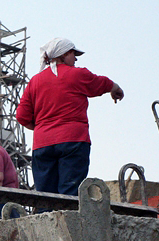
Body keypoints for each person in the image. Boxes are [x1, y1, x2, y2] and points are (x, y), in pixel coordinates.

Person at [16, 37, 124, 196]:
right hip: (73, 141)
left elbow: (22, 115)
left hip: (42, 144)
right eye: (73, 53)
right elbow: (101, 83)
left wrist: (41, 128)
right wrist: (116, 88)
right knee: (70, 193)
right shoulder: (77, 74)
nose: (76, 58)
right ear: (64, 54)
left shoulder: (35, 81)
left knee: (45, 196)